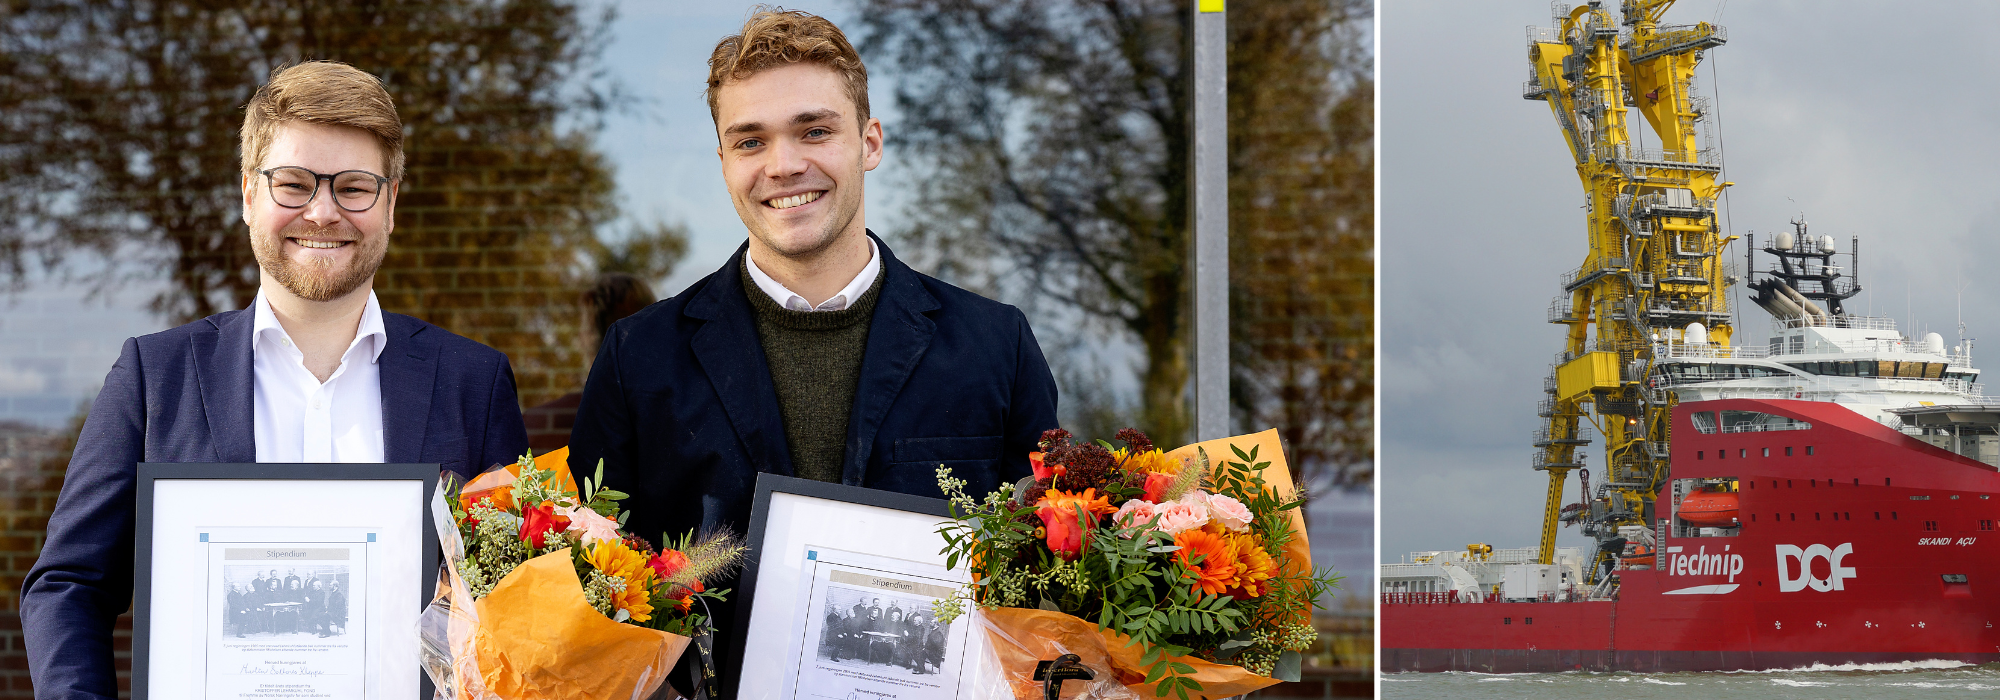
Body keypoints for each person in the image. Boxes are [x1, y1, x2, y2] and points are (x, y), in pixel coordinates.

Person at [564, 11, 1058, 695]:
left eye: (815, 130)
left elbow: (1049, 582)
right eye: (750, 141)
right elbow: (591, 589)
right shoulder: (638, 357)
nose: (784, 164)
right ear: (724, 163)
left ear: (870, 142)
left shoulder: (993, 343)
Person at [22, 61, 531, 697]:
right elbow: (70, 586)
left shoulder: (472, 383)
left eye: (353, 187)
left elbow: (522, 603)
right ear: (248, 195)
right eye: (293, 184)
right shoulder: (157, 377)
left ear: (391, 203)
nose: (322, 212)